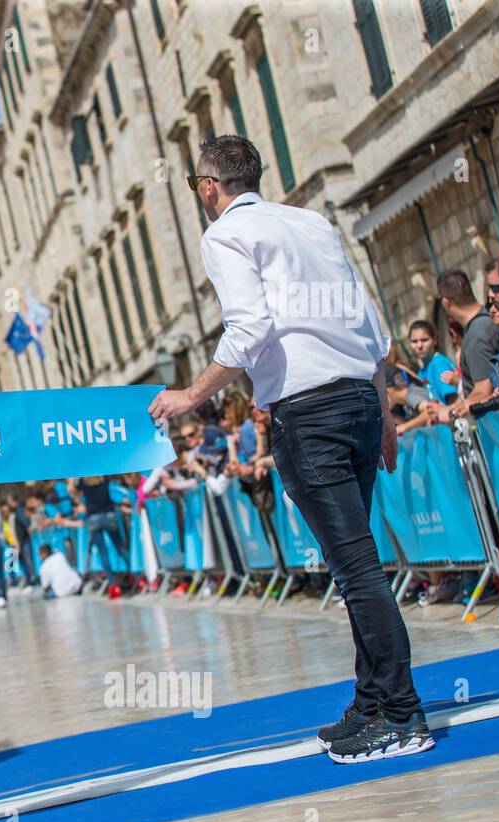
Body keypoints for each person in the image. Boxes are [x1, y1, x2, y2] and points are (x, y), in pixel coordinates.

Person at [149, 135, 431, 764]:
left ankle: (405, 713)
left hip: (310, 412)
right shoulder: (311, 223)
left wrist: (193, 394)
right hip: (358, 399)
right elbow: (367, 322)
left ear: (208, 187)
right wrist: (383, 412)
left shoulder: (224, 234)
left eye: (198, 183)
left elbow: (249, 326)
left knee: (356, 569)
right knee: (356, 563)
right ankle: (374, 699)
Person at [439, 268, 499, 416]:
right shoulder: (484, 322)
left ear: (446, 302)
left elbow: (483, 390)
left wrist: (452, 412)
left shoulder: (477, 334)